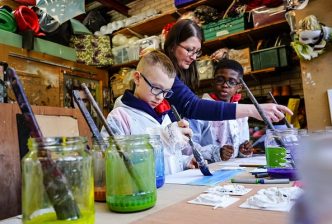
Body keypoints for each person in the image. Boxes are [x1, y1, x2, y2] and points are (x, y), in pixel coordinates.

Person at [163, 19, 292, 122]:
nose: (194, 57)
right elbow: (192, 106)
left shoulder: (182, 72)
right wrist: (254, 110)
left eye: (197, 51)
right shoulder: (161, 68)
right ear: (173, 45)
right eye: (189, 49)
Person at [100, 50, 196, 175]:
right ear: (137, 78)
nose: (160, 97)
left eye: (166, 92)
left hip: (173, 189)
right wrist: (163, 138)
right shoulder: (120, 117)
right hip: (144, 192)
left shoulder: (164, 115)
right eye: (156, 88)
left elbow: (166, 159)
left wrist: (185, 161)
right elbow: (111, 163)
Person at [202, 59, 253, 161]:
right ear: (213, 82)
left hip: (233, 167)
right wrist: (216, 153)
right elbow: (188, 149)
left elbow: (242, 143)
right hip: (208, 169)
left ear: (239, 87)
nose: (225, 85)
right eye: (220, 80)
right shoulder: (201, 109)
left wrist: (244, 150)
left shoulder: (241, 113)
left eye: (232, 82)